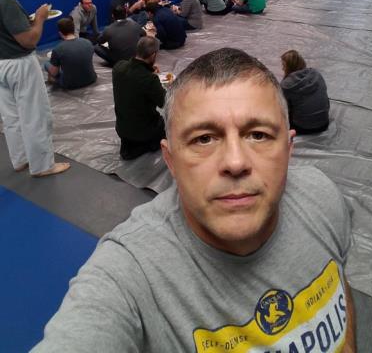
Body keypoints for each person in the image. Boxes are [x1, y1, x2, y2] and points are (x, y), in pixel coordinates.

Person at [33, 47, 355, 352]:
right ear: (170, 160)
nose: (235, 162)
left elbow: (340, 282)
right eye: (204, 139)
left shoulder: (323, 198)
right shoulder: (129, 274)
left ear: (288, 148)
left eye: (258, 135)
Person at [0, 0, 70, 177]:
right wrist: (39, 19)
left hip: (1, 64)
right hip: (19, 64)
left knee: (11, 116)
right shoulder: (6, 1)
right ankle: (42, 165)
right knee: (35, 115)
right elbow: (29, 40)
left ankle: (20, 159)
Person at [112, 36, 166, 160]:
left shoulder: (118, 67)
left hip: (122, 129)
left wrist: (149, 70)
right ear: (153, 55)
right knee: (169, 123)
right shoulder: (149, 80)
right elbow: (164, 102)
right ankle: (145, 145)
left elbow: (133, 76)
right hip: (144, 132)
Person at [280, 49, 330, 134]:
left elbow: (283, 108)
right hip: (323, 123)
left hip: (302, 127)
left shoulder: (286, 85)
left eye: (283, 65)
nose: (282, 68)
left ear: (289, 67)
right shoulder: (316, 74)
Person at [45, 17, 97, 89]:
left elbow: (54, 73)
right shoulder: (88, 42)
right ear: (74, 29)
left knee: (47, 64)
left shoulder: (58, 49)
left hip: (70, 85)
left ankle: (52, 81)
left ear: (60, 33)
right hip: (91, 79)